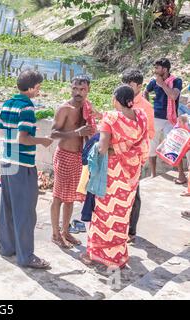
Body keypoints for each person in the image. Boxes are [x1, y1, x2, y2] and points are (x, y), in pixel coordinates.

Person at [82, 85, 149, 268]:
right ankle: (118, 254)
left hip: (113, 174)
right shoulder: (140, 115)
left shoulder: (111, 118)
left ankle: (99, 255)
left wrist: (99, 147)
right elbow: (140, 140)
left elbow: (102, 148)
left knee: (104, 213)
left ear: (115, 99)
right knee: (122, 213)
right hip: (132, 172)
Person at [0, 69, 53, 269]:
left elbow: (0, 130)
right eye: (38, 87)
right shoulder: (27, 108)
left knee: (8, 206)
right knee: (25, 211)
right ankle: (26, 256)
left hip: (6, 160)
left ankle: (6, 248)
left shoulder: (8, 103)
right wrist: (43, 140)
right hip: (22, 164)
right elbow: (24, 138)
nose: (39, 91)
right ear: (30, 88)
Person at [50, 75, 96, 248]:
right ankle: (55, 234)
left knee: (70, 198)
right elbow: (53, 134)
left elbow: (91, 131)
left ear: (88, 90)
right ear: (71, 88)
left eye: (82, 89)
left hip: (78, 157)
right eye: (75, 88)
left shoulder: (87, 108)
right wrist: (77, 132)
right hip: (64, 155)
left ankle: (66, 231)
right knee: (58, 197)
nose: (78, 92)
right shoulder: (64, 108)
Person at [121, 68, 155, 242]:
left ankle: (131, 231)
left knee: (134, 192)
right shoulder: (119, 99)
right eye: (124, 84)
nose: (125, 87)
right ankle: (119, 226)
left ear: (139, 86)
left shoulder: (146, 107)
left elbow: (149, 133)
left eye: (129, 85)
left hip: (134, 156)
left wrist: (131, 140)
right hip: (119, 155)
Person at [144, 58, 183, 182]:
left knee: (174, 145)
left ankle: (181, 174)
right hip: (155, 118)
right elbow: (145, 91)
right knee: (152, 145)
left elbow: (173, 95)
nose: (155, 70)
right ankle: (153, 174)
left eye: (157, 68)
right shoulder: (153, 81)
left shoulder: (176, 81)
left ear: (165, 69)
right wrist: (148, 105)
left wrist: (163, 84)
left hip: (170, 119)